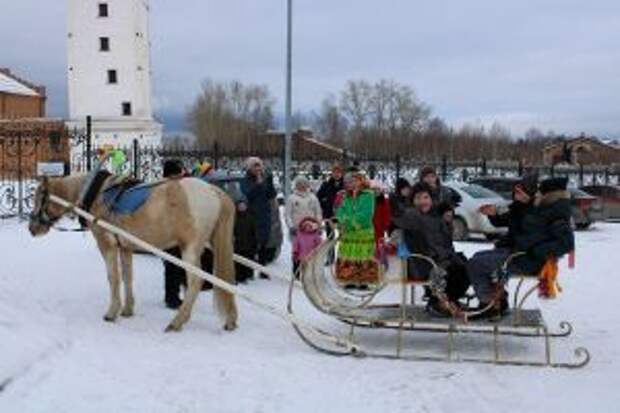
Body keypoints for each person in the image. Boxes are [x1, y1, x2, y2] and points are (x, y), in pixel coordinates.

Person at [467, 176, 574, 319]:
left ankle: (489, 305)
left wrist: (535, 251)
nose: (537, 195)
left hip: (527, 260)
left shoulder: (554, 212)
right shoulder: (547, 209)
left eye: (539, 192)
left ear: (548, 194)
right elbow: (526, 228)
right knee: (478, 258)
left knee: (476, 264)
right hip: (521, 253)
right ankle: (497, 301)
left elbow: (566, 243)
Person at [392, 182, 470, 316]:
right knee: (455, 272)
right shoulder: (413, 216)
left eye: (425, 197)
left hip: (441, 260)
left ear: (431, 199)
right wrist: (393, 200)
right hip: (424, 264)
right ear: (412, 201)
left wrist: (448, 224)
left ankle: (447, 300)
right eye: (418, 198)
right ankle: (437, 303)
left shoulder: (436, 217)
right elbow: (400, 217)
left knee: (466, 268)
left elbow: (445, 242)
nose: (422, 201)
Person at [335, 171, 379, 285]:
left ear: (361, 181)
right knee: (349, 254)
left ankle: (364, 280)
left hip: (363, 231)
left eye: (354, 181)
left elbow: (367, 213)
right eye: (348, 182)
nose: (351, 184)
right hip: (349, 233)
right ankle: (349, 279)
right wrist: (342, 219)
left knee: (363, 254)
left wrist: (350, 222)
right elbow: (340, 210)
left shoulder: (368, 195)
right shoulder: (346, 196)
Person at [240, 157, 277, 278]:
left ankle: (263, 270)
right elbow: (247, 194)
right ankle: (249, 272)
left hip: (264, 215)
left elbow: (271, 195)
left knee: (264, 244)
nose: (258, 168)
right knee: (251, 245)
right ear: (250, 168)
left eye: (259, 166)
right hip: (251, 215)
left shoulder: (264, 178)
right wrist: (258, 185)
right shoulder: (245, 180)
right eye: (255, 166)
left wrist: (269, 182)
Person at [161, 159, 188, 309]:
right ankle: (171, 298)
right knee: (172, 265)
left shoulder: (178, 186)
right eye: (179, 172)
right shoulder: (164, 189)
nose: (181, 175)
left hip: (180, 231)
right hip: (169, 233)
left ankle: (177, 293)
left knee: (179, 264)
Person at [285, 176, 323, 273]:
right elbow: (287, 214)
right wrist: (291, 226)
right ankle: (296, 271)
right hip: (297, 230)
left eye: (304, 184)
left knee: (311, 251)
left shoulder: (313, 198)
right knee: (297, 251)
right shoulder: (292, 198)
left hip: (311, 229)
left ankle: (310, 271)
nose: (302, 186)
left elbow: (318, 212)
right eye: (299, 184)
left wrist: (319, 225)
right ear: (296, 185)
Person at [233, 196, 257, 283]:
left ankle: (248, 275)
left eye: (243, 205)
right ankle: (239, 277)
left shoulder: (250, 216)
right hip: (238, 243)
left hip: (248, 242)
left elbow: (253, 230)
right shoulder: (234, 217)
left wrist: (255, 242)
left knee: (248, 259)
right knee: (238, 261)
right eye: (240, 205)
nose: (242, 207)